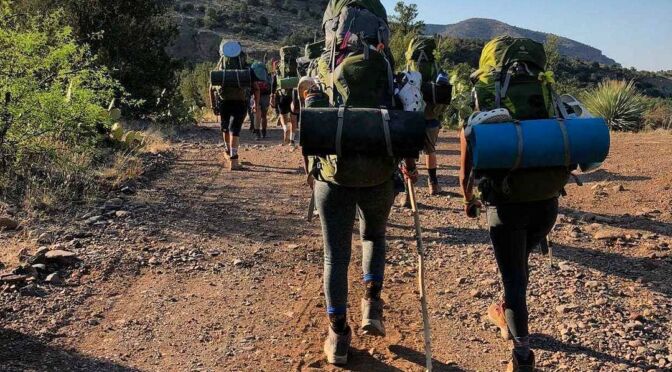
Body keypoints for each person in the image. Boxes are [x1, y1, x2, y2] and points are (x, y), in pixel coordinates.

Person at [459, 122, 561, 371]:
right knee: (519, 264)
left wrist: (469, 200)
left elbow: (465, 177)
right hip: (547, 206)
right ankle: (506, 313)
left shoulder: (477, 122)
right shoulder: (542, 114)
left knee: (513, 278)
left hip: (506, 210)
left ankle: (523, 357)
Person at [208, 41, 249, 171]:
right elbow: (253, 85)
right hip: (240, 102)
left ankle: (227, 150)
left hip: (224, 102)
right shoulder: (243, 66)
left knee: (225, 128)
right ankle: (234, 159)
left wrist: (213, 105)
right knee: (235, 130)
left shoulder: (220, 68)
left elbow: (211, 88)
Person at [271, 71, 299, 146]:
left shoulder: (278, 67)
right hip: (294, 95)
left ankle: (285, 129)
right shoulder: (296, 66)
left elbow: (273, 83)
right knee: (294, 117)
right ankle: (292, 140)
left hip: (281, 96)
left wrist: (272, 96)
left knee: (283, 116)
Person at [251, 61, 272, 140]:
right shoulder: (266, 74)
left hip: (255, 95)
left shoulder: (252, 72)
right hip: (265, 95)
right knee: (264, 116)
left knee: (257, 114)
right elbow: (270, 84)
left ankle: (257, 134)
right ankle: (264, 133)